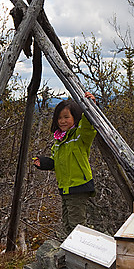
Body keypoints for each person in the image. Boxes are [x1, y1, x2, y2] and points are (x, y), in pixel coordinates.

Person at [33, 92, 97, 237]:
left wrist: (91, 106)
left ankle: (81, 252)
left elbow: (88, 125)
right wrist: (43, 163)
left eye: (66, 117)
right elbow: (55, 163)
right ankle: (72, 251)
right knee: (67, 223)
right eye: (59, 118)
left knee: (77, 225)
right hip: (66, 188)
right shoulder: (58, 143)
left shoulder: (79, 136)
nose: (62, 121)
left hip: (79, 186)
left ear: (75, 117)